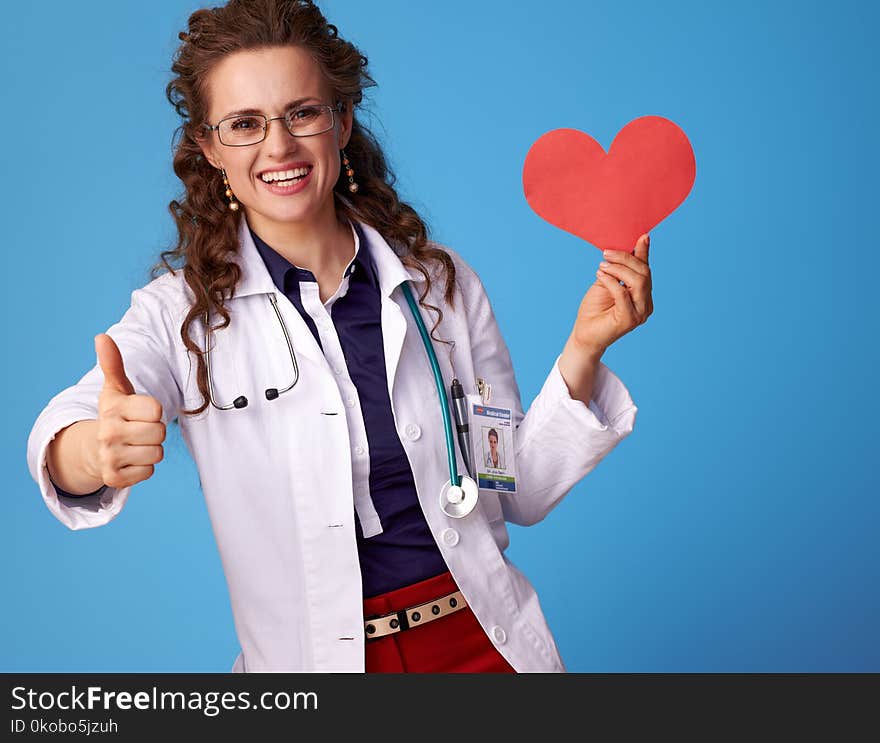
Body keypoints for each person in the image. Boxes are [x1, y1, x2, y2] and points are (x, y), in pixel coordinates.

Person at [26, 0, 653, 673]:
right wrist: (94, 448)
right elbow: (72, 425)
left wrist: (584, 351)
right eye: (244, 124)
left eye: (302, 112)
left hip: (481, 647)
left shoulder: (437, 285)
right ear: (210, 148)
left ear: (342, 122)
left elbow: (513, 485)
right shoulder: (182, 316)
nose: (278, 147)